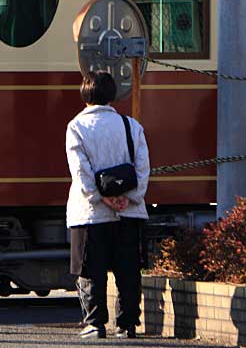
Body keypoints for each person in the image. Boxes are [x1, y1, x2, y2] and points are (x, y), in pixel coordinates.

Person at [65, 71, 150, 340]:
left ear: (85, 94)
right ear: (112, 95)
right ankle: (127, 324)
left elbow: (80, 171)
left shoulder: (76, 127)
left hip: (90, 213)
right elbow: (143, 167)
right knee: (128, 268)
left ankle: (95, 323)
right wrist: (129, 197)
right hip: (129, 211)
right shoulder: (131, 125)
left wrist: (100, 197)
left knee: (91, 268)